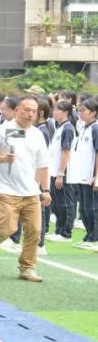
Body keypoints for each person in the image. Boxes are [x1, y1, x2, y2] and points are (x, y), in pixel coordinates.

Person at [0, 96, 51, 282]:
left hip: (31, 191)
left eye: (34, 111)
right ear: (17, 110)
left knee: (35, 230)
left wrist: (46, 189)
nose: (30, 114)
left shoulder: (37, 134)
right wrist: (3, 159)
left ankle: (26, 268)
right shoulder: (2, 131)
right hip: (7, 190)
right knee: (7, 228)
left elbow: (43, 164)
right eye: (27, 110)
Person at [66, 99, 98, 249]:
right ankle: (89, 236)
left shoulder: (95, 129)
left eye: (83, 110)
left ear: (94, 113)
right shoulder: (84, 127)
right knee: (84, 208)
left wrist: (96, 176)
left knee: (92, 208)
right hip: (81, 175)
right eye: (79, 110)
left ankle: (95, 238)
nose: (80, 113)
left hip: (90, 177)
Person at [47, 100, 77, 243]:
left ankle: (66, 233)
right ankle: (59, 230)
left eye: (57, 110)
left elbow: (66, 152)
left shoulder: (67, 129)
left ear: (66, 112)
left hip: (63, 173)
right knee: (58, 203)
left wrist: (60, 173)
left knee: (65, 203)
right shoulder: (59, 127)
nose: (54, 112)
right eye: (54, 109)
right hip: (54, 171)